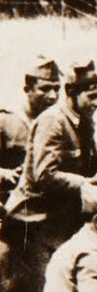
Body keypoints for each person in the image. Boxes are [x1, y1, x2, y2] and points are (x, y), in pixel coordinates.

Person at [0, 60, 97, 292]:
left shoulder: (82, 122)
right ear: (73, 93)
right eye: (91, 97)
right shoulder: (53, 122)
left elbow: (93, 159)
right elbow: (43, 174)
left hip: (59, 223)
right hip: (31, 223)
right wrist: (87, 183)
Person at [0, 58, 61, 205]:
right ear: (27, 90)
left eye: (56, 89)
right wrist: (6, 175)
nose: (53, 96)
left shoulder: (60, 125)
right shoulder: (5, 121)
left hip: (48, 206)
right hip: (9, 204)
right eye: (45, 89)